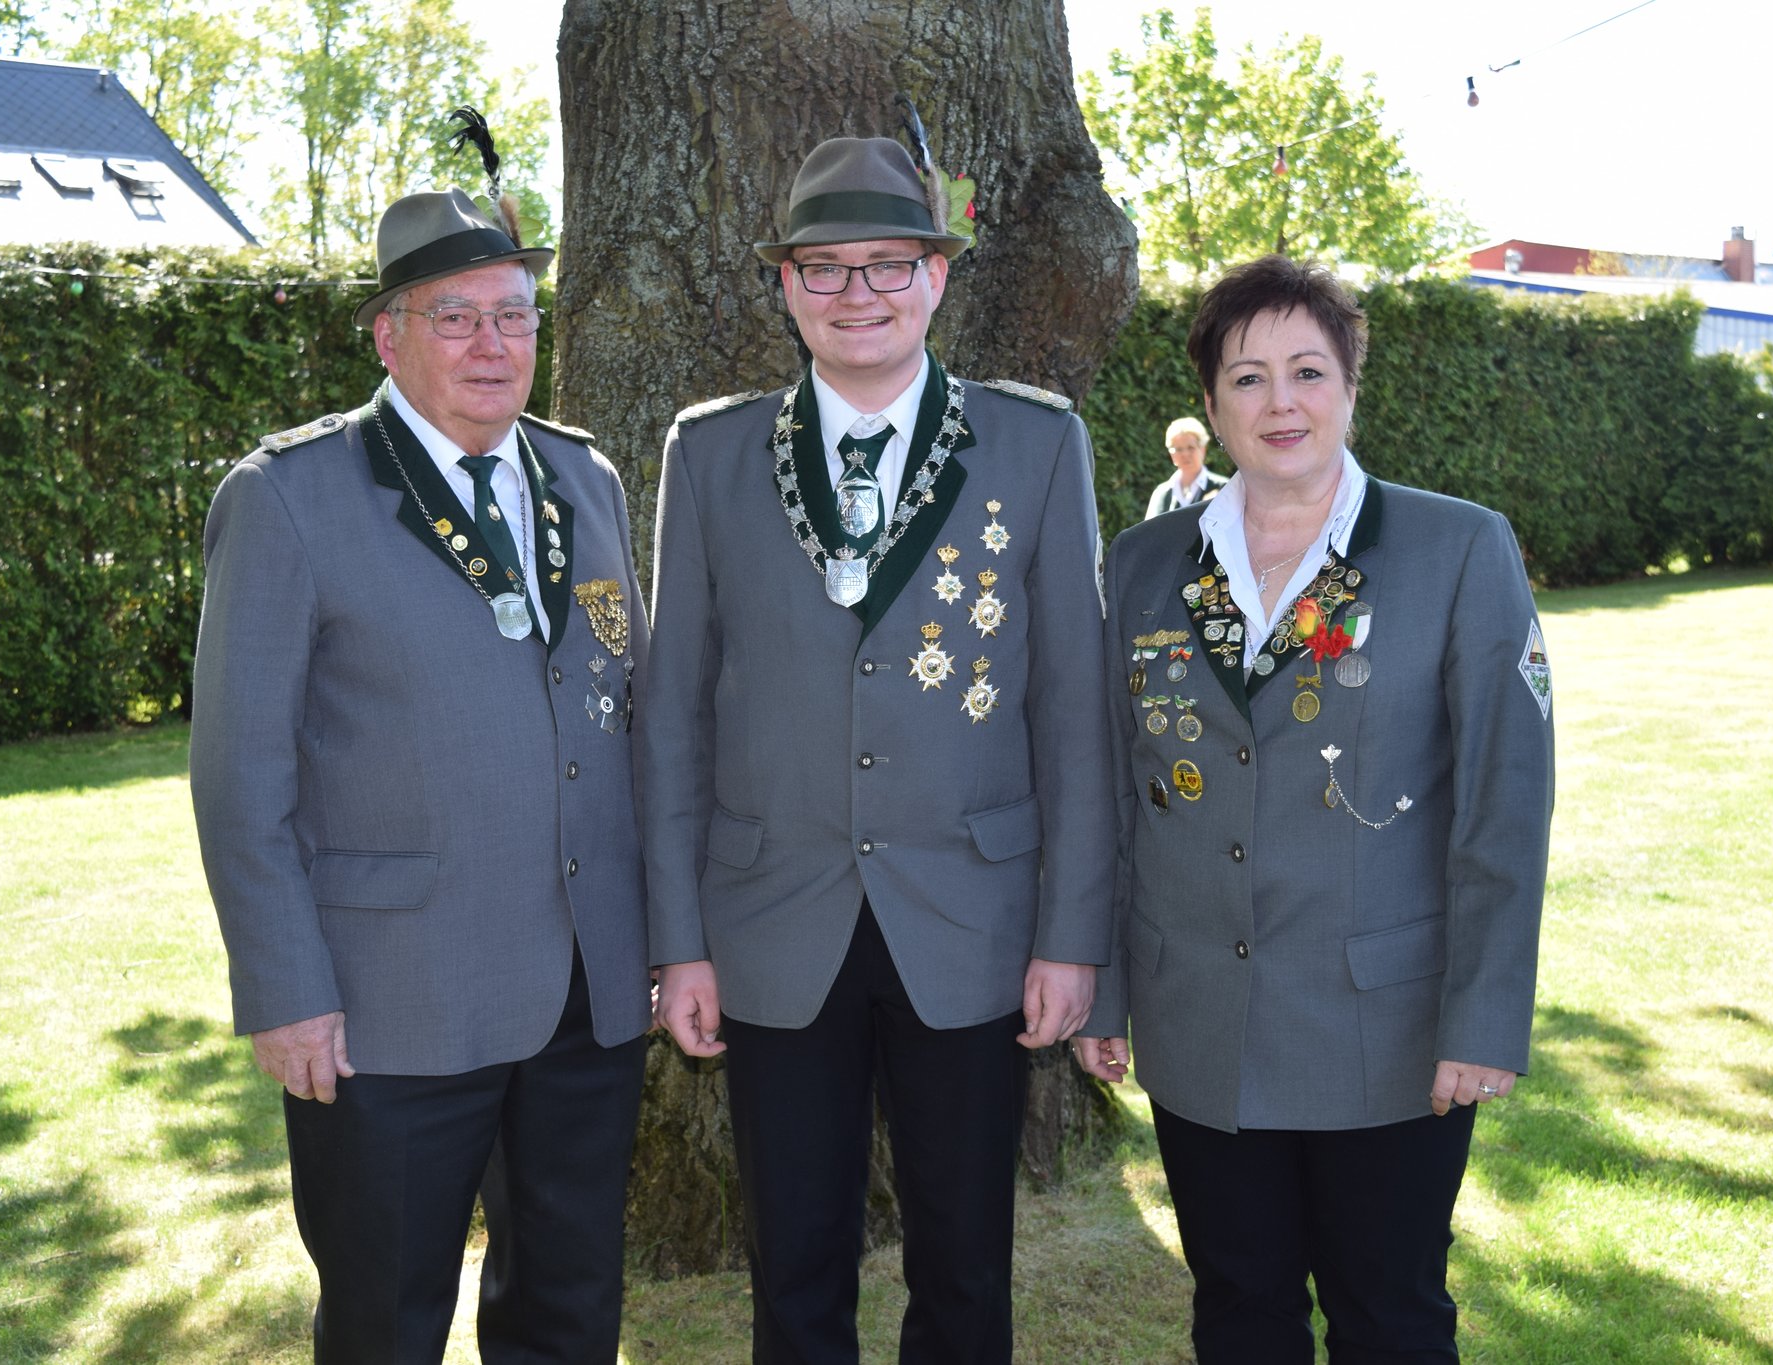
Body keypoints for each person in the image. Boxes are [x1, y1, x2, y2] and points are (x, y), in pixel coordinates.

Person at [637, 132, 1116, 1364]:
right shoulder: (709, 453)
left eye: (888, 263)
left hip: (971, 915)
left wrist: (1072, 937)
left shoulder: (1032, 445)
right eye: (826, 267)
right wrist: (677, 944)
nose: (859, 293)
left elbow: (1070, 710)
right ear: (785, 285)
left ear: (936, 278)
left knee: (964, 1266)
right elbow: (674, 711)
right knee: (793, 1265)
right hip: (768, 917)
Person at [188, 146, 651, 1362]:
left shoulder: (582, 476)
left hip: (582, 996)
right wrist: (284, 990)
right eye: (456, 317)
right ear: (387, 338)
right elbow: (242, 775)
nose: (494, 344)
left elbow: (625, 706)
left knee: (568, 1309)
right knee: (386, 1319)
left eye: (514, 315)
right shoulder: (290, 496)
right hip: (390, 1002)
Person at [1077, 255, 1554, 1361]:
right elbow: (1110, 793)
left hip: (1382, 1030)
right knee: (1237, 1312)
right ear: (1208, 405)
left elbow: (1502, 801)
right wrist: (1103, 985)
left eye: (1305, 370)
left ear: (1349, 386)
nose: (1277, 403)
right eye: (1245, 379)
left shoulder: (1453, 548)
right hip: (1198, 1019)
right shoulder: (1148, 563)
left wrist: (1481, 1019)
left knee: (1388, 1315)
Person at [1143, 415, 1230, 519]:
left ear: (1203, 449)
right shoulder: (1162, 493)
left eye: (1190, 447)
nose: (1185, 454)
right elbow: (1150, 532)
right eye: (1179, 449)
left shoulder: (1224, 488)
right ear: (1171, 454)